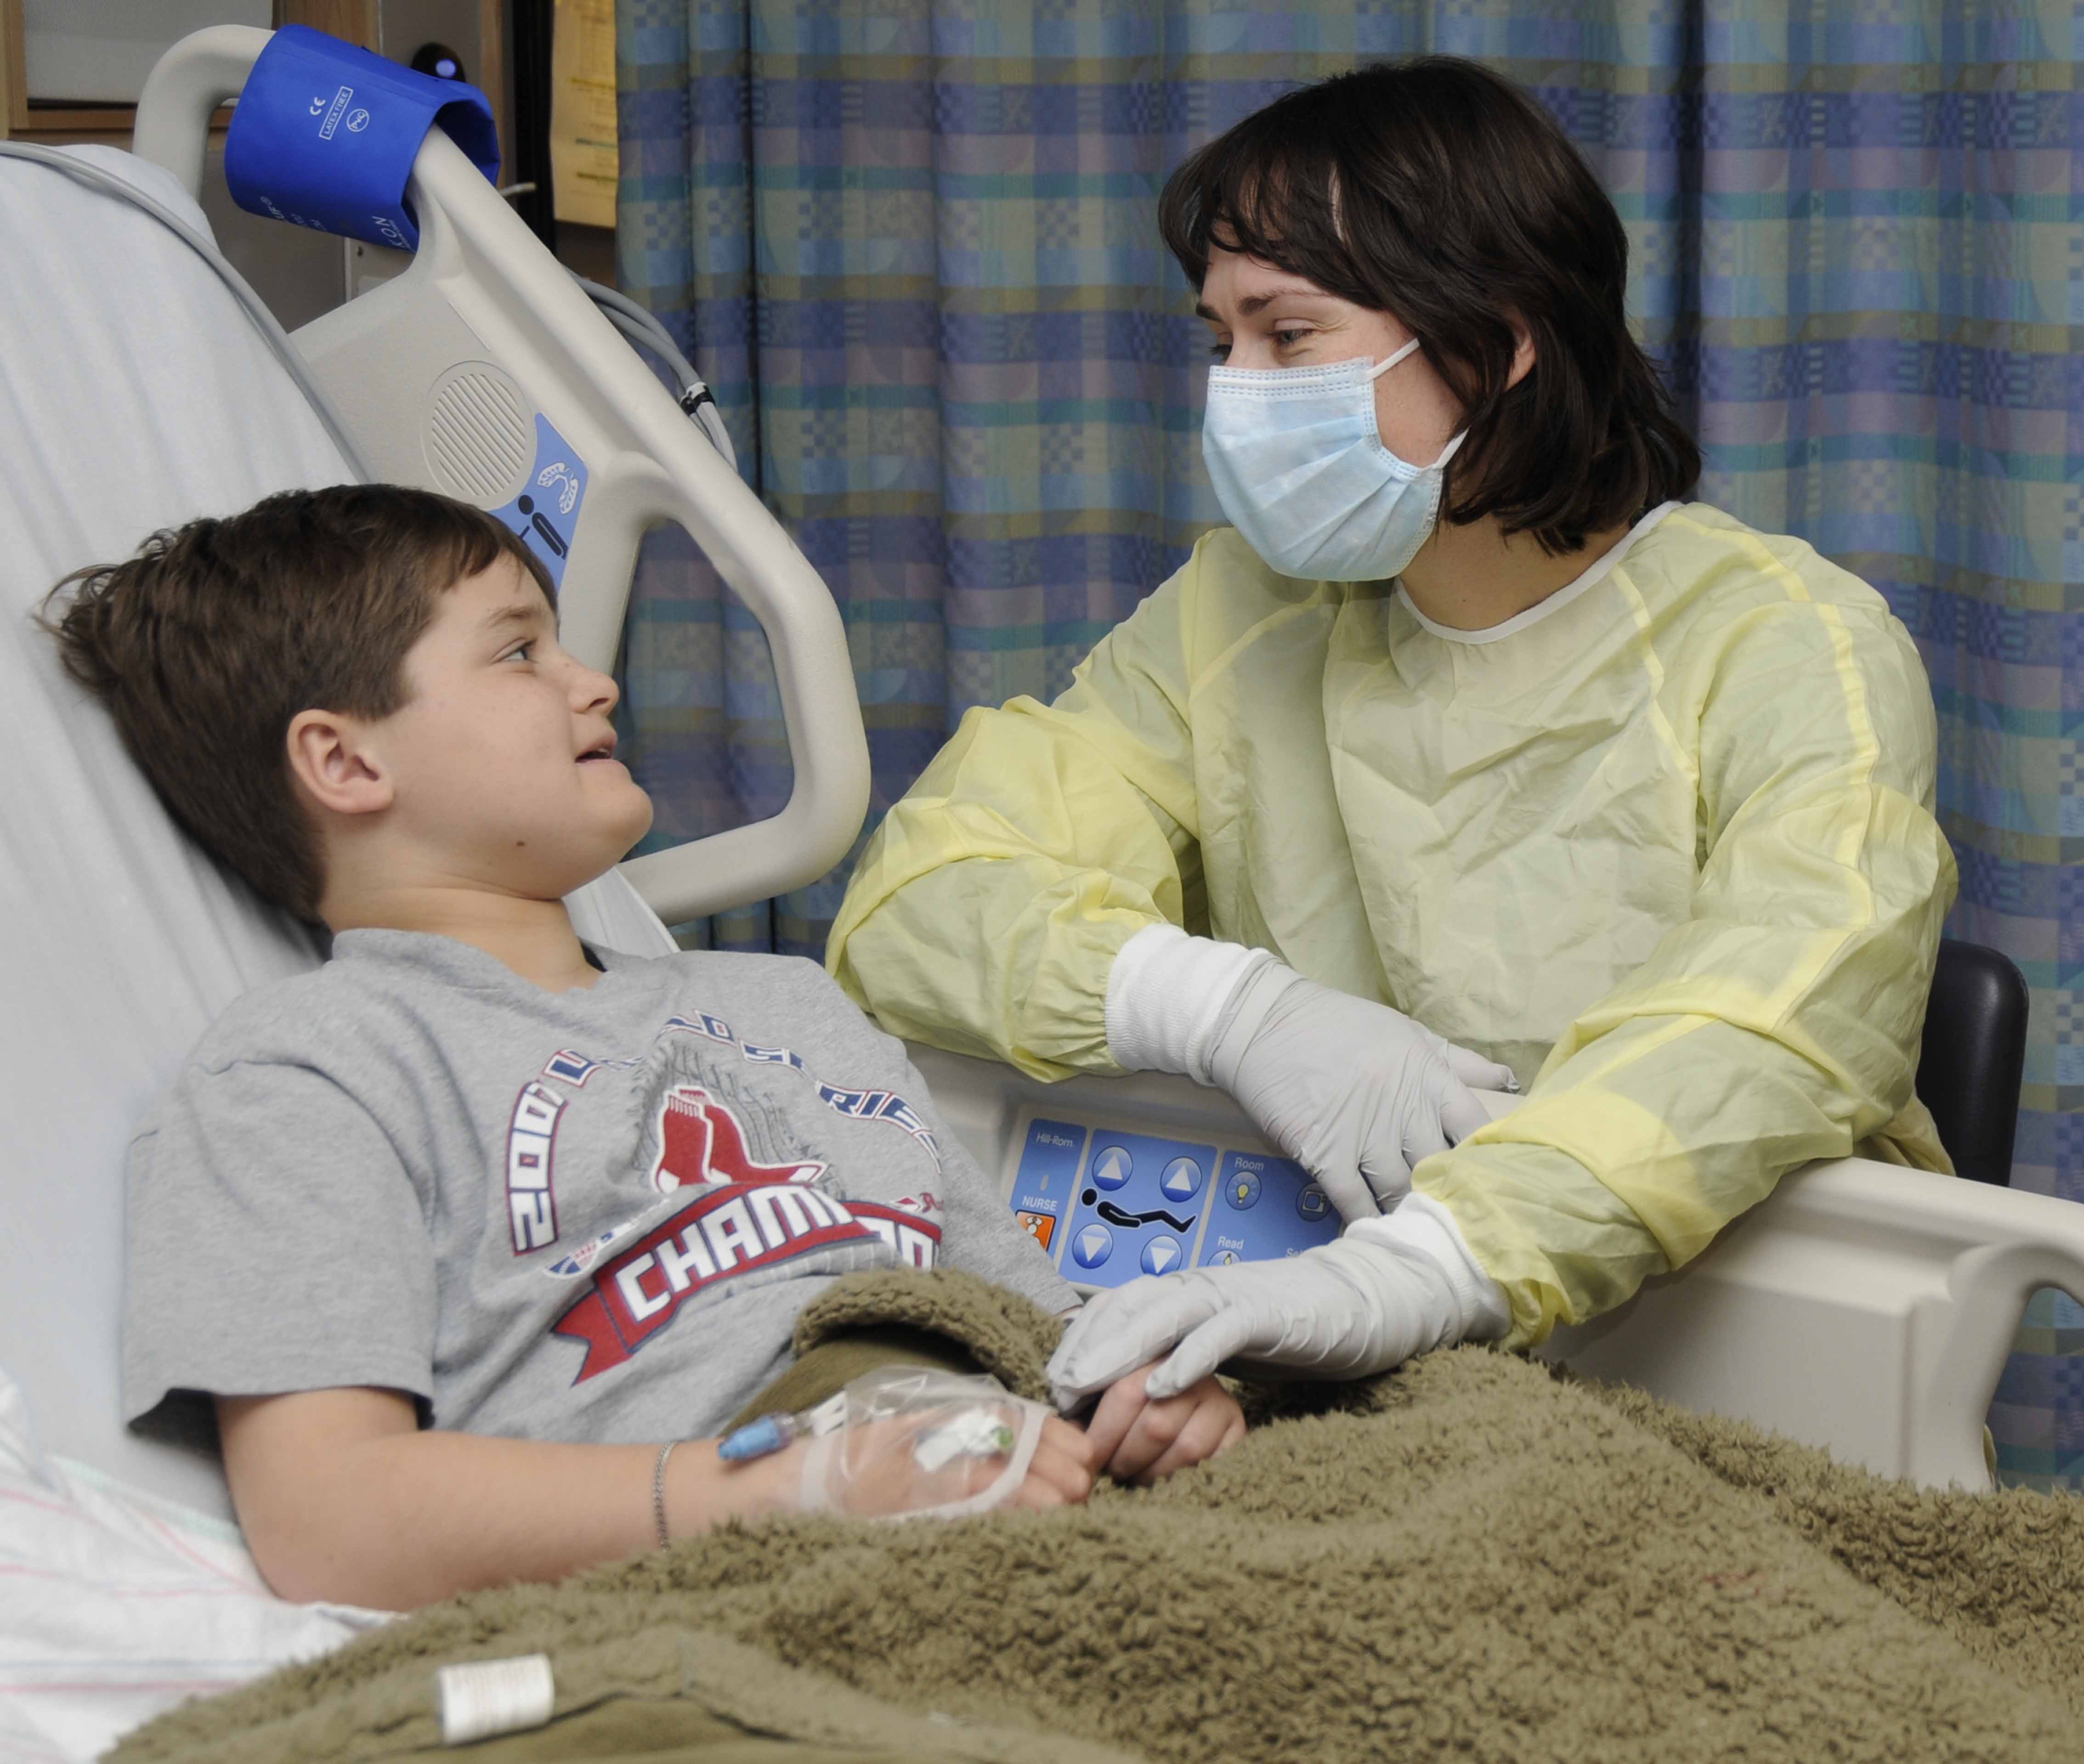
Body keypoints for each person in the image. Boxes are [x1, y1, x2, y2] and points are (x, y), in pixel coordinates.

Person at [825, 58, 1956, 1410]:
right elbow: (925, 900)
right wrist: (1233, 1013)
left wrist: (1422, 1268)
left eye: (1289, 337)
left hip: (1739, 1353)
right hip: (1341, 1366)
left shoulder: (1789, 646)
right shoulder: (1239, 617)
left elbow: (1772, 1025)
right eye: (1221, 343)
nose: (1237, 393)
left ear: (1499, 339)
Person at [46, 485, 1244, 1611]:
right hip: (752, 1552)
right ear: (348, 762)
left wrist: (1147, 1404)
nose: (595, 683)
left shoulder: (790, 1006)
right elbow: (329, 1520)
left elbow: (1043, 1337)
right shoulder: (309, 1074)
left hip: (1018, 1471)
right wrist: (788, 1488)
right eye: (520, 653)